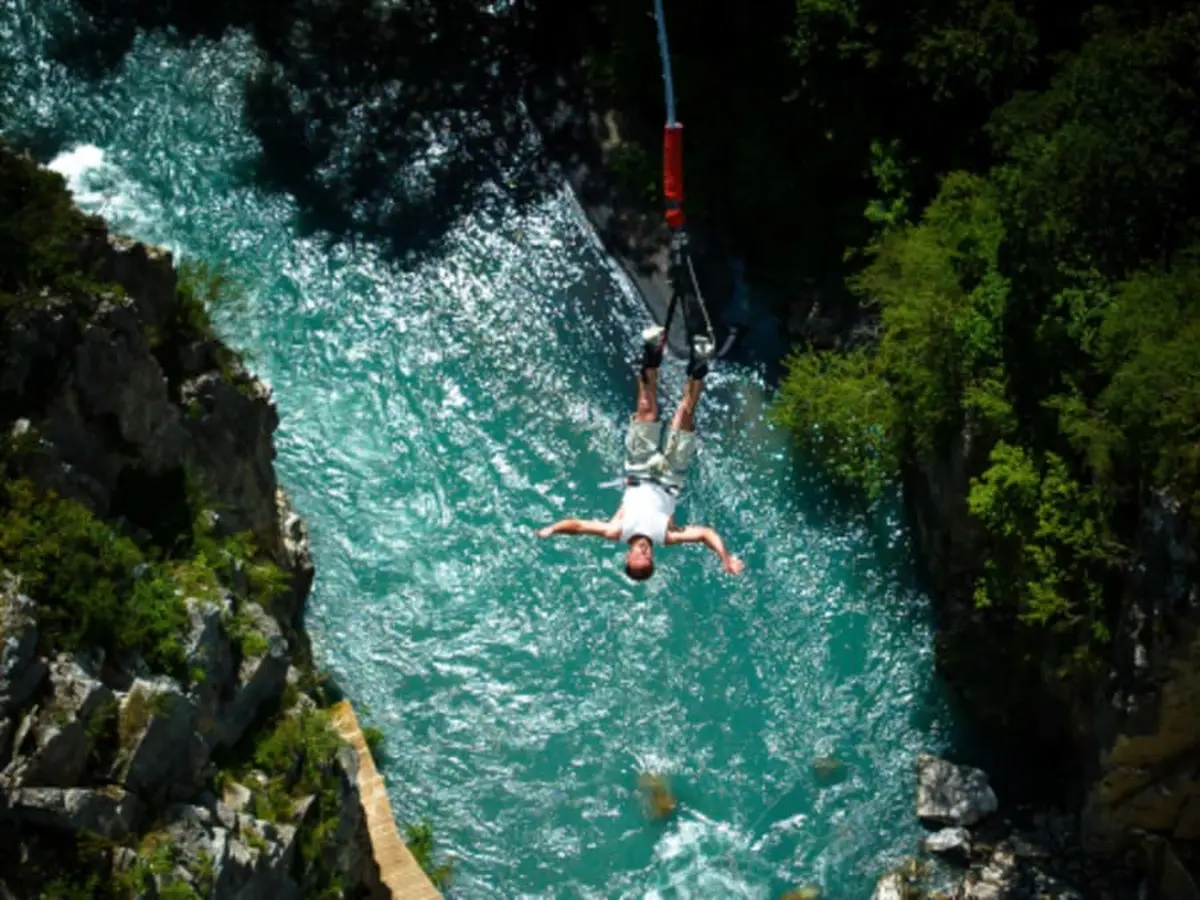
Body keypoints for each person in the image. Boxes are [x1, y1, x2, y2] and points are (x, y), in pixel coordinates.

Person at [535, 325, 744, 580]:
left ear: (627, 556)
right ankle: (699, 365)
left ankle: (652, 353)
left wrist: (552, 529)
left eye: (638, 558)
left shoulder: (616, 530)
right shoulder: (666, 536)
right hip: (670, 476)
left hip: (639, 468)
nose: (644, 554)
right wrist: (725, 558)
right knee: (685, 415)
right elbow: (705, 534)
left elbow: (578, 526)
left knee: (646, 409)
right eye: (648, 559)